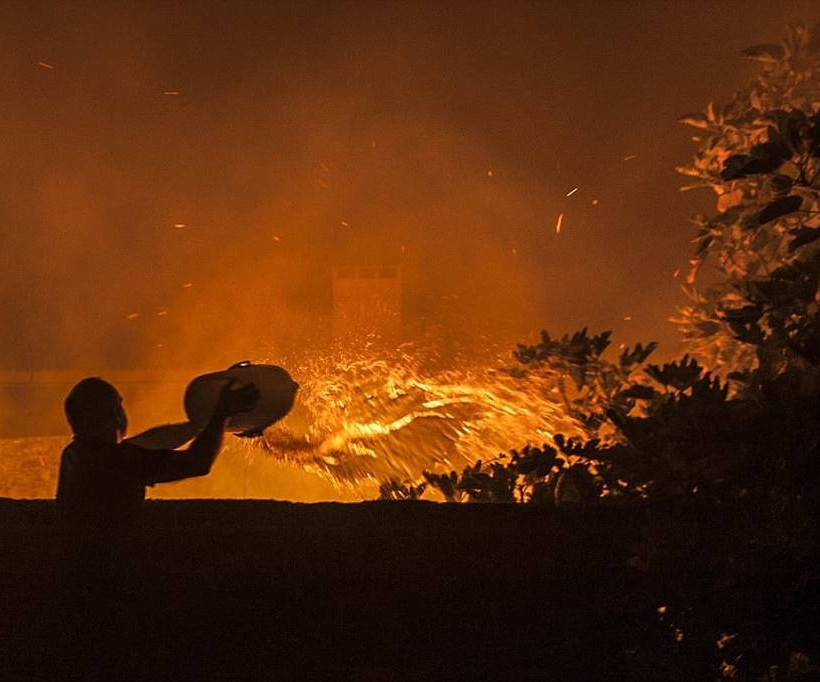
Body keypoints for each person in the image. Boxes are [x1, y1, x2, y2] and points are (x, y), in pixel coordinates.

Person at [56, 376, 258, 531]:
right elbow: (197, 462)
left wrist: (203, 425)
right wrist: (222, 413)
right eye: (119, 405)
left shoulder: (74, 454)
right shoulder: (120, 461)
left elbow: (148, 443)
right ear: (115, 414)